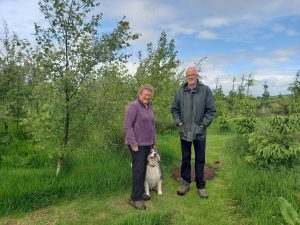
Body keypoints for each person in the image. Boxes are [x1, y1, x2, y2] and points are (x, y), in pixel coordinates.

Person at [171, 67, 216, 198]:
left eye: (193, 74)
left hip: (200, 132)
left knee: (200, 159)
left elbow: (211, 110)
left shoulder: (205, 90)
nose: (190, 77)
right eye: (188, 75)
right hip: (184, 132)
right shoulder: (180, 91)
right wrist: (179, 123)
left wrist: (202, 125)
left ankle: (201, 186)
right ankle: (185, 183)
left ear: (197, 75)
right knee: (185, 159)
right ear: (186, 76)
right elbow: (174, 109)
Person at [124, 84, 157, 210]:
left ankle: (141, 192)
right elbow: (128, 126)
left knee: (143, 168)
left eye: (149, 95)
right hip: (137, 144)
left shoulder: (150, 107)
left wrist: (154, 141)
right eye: (145, 94)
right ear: (139, 94)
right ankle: (135, 198)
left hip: (148, 143)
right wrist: (133, 144)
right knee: (138, 170)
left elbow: (152, 126)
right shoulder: (133, 106)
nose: (147, 97)